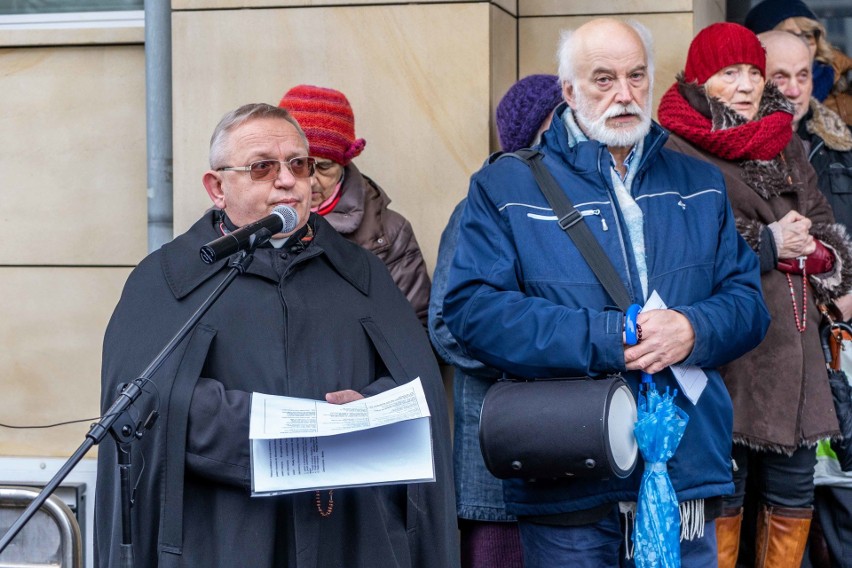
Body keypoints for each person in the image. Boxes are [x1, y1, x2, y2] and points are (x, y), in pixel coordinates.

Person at [442, 18, 770, 568]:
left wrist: (694, 330)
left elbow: (747, 305)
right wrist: (607, 336)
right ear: (568, 91)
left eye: (636, 76)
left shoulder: (700, 182)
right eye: (603, 79)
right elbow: (473, 310)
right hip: (569, 465)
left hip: (683, 465)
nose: (624, 94)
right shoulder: (504, 187)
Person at [94, 103, 459, 567]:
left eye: (298, 165)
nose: (286, 181)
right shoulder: (167, 277)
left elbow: (416, 385)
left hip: (349, 529)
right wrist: (284, 428)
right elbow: (143, 402)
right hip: (222, 531)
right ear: (217, 187)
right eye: (262, 167)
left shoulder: (361, 273)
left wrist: (365, 410)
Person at [656, 22, 852, 568]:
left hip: (797, 355)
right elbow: (685, 249)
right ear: (700, 80)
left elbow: (828, 235)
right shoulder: (675, 145)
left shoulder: (785, 142)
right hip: (727, 356)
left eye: (751, 72)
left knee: (794, 498)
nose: (744, 85)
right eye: (727, 72)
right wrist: (768, 242)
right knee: (724, 498)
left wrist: (811, 253)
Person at [429, 73, 562, 568]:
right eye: (561, 120)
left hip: (573, 452)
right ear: (530, 137)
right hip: (499, 464)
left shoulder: (591, 205)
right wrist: (548, 352)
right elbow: (447, 326)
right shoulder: (478, 209)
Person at [762, 30, 852, 568]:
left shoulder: (839, 149)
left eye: (804, 76)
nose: (795, 90)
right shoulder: (729, 156)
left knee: (842, 506)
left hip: (842, 357)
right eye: (780, 76)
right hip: (772, 361)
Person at [277, 85, 431, 325]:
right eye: (299, 165)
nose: (311, 180)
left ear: (345, 162)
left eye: (325, 166)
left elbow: (415, 326)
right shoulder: (241, 219)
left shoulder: (390, 232)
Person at [745, 0, 852, 126]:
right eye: (789, 35)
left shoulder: (844, 98)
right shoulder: (734, 106)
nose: (802, 43)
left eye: (808, 35)